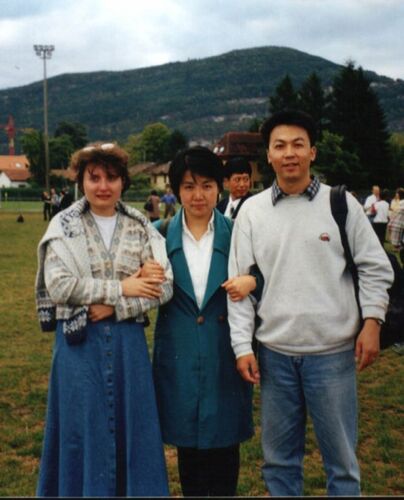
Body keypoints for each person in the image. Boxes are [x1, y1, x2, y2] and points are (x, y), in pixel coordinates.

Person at [227, 110, 394, 496]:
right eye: (280, 146)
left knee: (342, 466)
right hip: (275, 356)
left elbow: (375, 268)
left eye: (298, 145)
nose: (289, 154)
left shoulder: (342, 204)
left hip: (332, 356)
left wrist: (372, 322)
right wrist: (241, 347)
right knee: (279, 465)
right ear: (267, 156)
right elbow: (238, 287)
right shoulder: (251, 212)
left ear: (312, 152)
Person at [35, 142, 173, 497]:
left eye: (111, 178)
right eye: (94, 177)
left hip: (128, 347)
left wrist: (116, 306)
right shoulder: (63, 225)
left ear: (123, 182)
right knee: (81, 433)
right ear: (81, 180)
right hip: (78, 349)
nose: (102, 186)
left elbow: (164, 286)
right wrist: (123, 287)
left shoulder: (140, 226)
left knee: (133, 434)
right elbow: (60, 285)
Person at [148, 146, 256, 497]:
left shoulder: (238, 231)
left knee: (226, 452)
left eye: (207, 185)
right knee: (189, 455)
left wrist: (255, 281)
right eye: (190, 186)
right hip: (178, 357)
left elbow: (266, 277)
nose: (198, 195)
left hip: (225, 352)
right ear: (177, 189)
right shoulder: (158, 234)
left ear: (219, 188)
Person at [388, 187, 404, 264]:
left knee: (396, 243)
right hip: (397, 223)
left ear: (398, 194)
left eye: (396, 193)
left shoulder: (401, 203)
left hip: (399, 224)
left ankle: (399, 248)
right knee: (396, 242)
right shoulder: (398, 202)